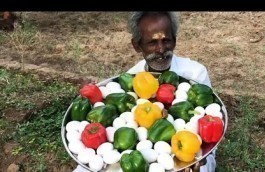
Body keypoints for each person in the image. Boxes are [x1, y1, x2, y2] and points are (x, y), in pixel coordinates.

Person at [74, 11, 217, 172]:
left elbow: (210, 151)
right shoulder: (132, 80)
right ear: (137, 45)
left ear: (175, 41)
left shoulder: (195, 75)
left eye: (166, 40)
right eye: (152, 43)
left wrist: (199, 167)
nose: (161, 49)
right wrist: (92, 96)